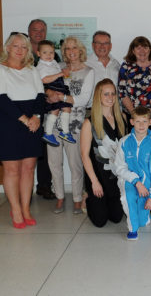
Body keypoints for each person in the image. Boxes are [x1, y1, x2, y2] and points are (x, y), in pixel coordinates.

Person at [0, 33, 44, 228]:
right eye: (16, 46)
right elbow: (1, 99)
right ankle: (16, 210)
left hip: (32, 122)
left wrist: (36, 116)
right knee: (12, 170)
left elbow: (40, 96)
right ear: (8, 48)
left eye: (24, 47)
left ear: (28, 51)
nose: (20, 50)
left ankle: (26, 208)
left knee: (28, 169)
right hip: (8, 123)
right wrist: (25, 119)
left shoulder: (32, 70)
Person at [47, 36, 95, 214]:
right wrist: (49, 93)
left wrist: (61, 97)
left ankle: (76, 198)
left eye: (74, 48)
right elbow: (43, 85)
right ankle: (59, 197)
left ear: (80, 50)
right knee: (54, 162)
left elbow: (83, 100)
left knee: (76, 163)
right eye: (67, 48)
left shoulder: (88, 71)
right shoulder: (56, 68)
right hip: (52, 124)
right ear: (64, 52)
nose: (71, 51)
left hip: (75, 124)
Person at [80, 78, 126, 227]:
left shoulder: (122, 118)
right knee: (100, 221)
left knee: (117, 217)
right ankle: (87, 197)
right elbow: (84, 155)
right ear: (98, 97)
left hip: (115, 176)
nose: (110, 97)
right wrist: (94, 182)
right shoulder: (89, 123)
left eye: (113, 94)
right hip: (98, 176)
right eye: (106, 94)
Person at [115, 106, 151, 240]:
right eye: (138, 121)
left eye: (144, 121)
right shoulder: (123, 142)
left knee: (143, 220)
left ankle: (142, 217)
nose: (141, 125)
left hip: (147, 183)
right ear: (131, 122)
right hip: (128, 180)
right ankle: (132, 229)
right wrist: (136, 181)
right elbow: (119, 167)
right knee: (128, 198)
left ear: (150, 122)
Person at [28, 18, 58, 200]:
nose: (38, 33)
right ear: (29, 32)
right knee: (30, 147)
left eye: (42, 30)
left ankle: (44, 185)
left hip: (47, 107)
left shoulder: (54, 56)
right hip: (27, 106)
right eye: (35, 30)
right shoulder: (23, 55)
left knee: (46, 147)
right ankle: (25, 187)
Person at [118, 36, 151, 137]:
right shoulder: (126, 66)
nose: (142, 51)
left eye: (145, 47)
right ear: (133, 51)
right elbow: (122, 93)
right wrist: (135, 114)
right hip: (134, 118)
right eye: (138, 48)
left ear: (150, 49)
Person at [36, 40, 74, 147]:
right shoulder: (41, 66)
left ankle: (63, 132)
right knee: (56, 110)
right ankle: (49, 133)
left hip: (60, 87)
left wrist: (64, 74)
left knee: (65, 108)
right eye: (45, 52)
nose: (49, 55)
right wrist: (60, 74)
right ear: (38, 53)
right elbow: (44, 80)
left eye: (51, 52)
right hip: (51, 87)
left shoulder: (53, 62)